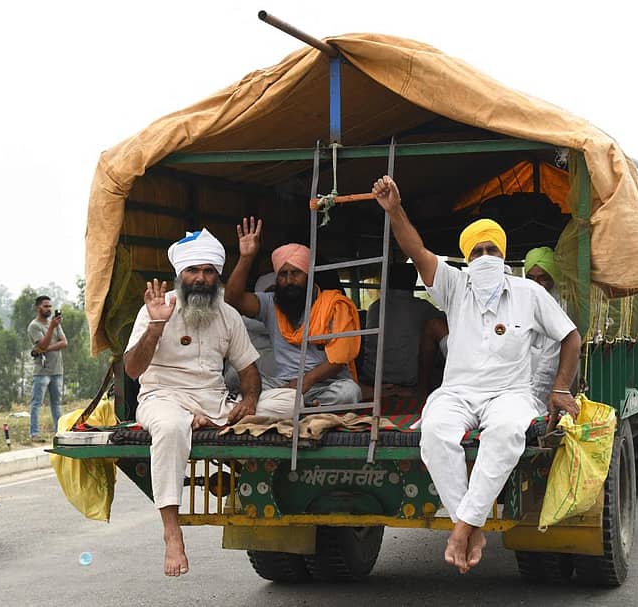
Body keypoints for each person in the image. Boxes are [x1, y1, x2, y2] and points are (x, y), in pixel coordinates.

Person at [371, 176, 581, 574]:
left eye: (492, 250)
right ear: (467, 258)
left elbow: (571, 336)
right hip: (458, 393)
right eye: (478, 251)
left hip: (511, 394)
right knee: (434, 432)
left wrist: (560, 389)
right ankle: (471, 526)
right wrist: (395, 210)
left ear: (504, 255)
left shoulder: (529, 293)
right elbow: (416, 250)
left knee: (506, 433)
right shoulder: (454, 285)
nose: (485, 257)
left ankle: (462, 529)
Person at [124, 228, 293, 577]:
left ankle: (205, 421)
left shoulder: (227, 314)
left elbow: (249, 369)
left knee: (292, 401)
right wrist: (155, 327)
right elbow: (133, 370)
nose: (201, 278)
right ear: (180, 275)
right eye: (193, 271)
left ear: (217, 276)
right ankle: (172, 532)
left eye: (208, 271)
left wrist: (250, 400)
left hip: (215, 403)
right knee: (170, 427)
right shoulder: (156, 310)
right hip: (163, 397)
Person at [225, 217, 362, 407]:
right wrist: (246, 258)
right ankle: (299, 406)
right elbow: (233, 299)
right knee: (233, 375)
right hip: (283, 385)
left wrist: (305, 382)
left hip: (324, 385)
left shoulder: (334, 305)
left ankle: (281, 405)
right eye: (283, 274)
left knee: (349, 392)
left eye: (296, 273)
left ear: (309, 275)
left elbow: (338, 361)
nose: (289, 280)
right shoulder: (271, 303)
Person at [360, 262, 443, 399]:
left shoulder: (375, 306)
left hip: (372, 378)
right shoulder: (423, 308)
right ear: (413, 282)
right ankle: (422, 391)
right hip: (408, 381)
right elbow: (446, 326)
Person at [524, 246, 569, 413]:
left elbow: (548, 366)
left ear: (554, 277)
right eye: (531, 278)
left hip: (540, 401)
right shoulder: (520, 303)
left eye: (543, 278)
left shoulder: (560, 308)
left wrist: (530, 405)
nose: (536, 284)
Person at [27, 295, 67, 441]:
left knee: (56, 403)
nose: (49, 309)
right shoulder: (34, 326)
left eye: (50, 306)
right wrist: (51, 329)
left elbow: (64, 342)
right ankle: (34, 434)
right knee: (37, 403)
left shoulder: (55, 323)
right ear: (38, 308)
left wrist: (44, 349)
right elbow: (42, 344)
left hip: (57, 370)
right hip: (42, 372)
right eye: (45, 306)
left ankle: (59, 432)